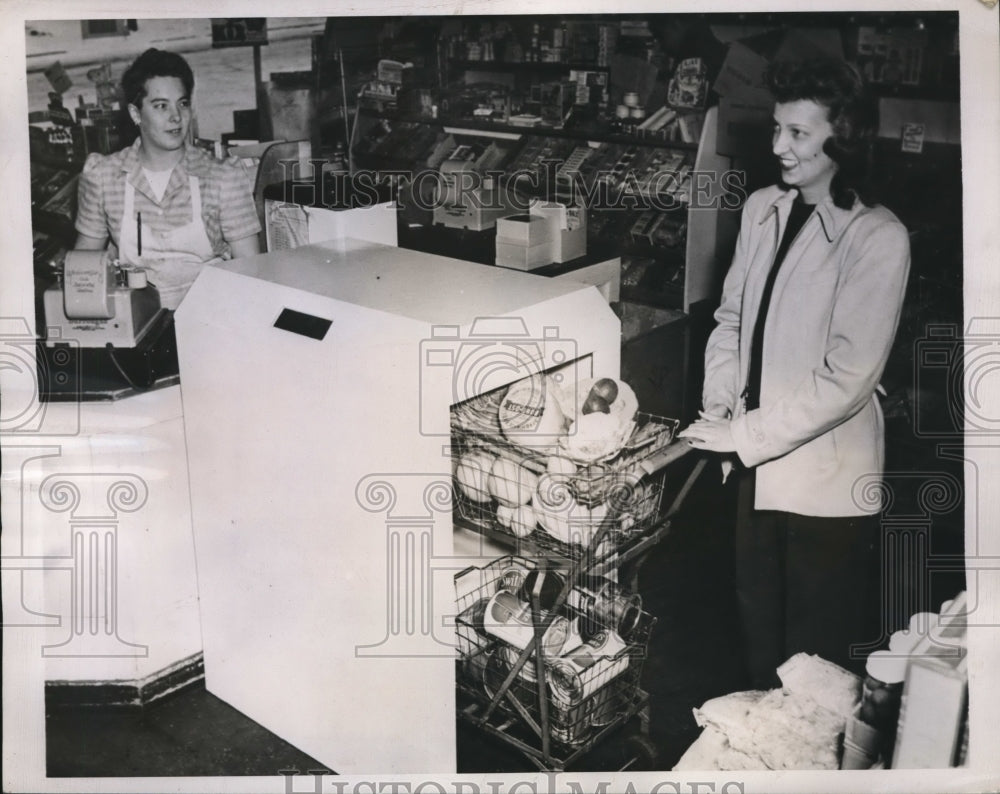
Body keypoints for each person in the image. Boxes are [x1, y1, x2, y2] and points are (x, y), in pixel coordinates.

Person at [679, 58, 910, 685]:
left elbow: (848, 377)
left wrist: (742, 434)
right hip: (754, 466)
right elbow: (731, 321)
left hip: (826, 481)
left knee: (814, 661)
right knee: (758, 639)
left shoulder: (877, 236)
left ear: (844, 138)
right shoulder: (762, 209)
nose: (779, 146)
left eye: (798, 133)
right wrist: (720, 403)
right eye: (777, 129)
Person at [74, 48, 261, 310]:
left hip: (211, 315)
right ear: (136, 114)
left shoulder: (223, 177)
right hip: (136, 321)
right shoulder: (103, 177)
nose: (176, 117)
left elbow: (251, 273)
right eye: (161, 106)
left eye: (182, 104)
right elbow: (84, 267)